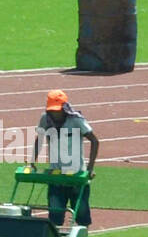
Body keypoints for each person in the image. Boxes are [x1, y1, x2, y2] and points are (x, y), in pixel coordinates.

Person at [32, 89, 99, 227]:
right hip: (56, 176)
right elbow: (39, 139)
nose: (55, 113)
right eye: (52, 110)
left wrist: (90, 168)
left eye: (57, 110)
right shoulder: (45, 119)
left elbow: (94, 141)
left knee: (81, 215)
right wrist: (32, 161)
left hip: (76, 175)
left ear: (64, 107)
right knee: (55, 217)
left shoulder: (76, 120)